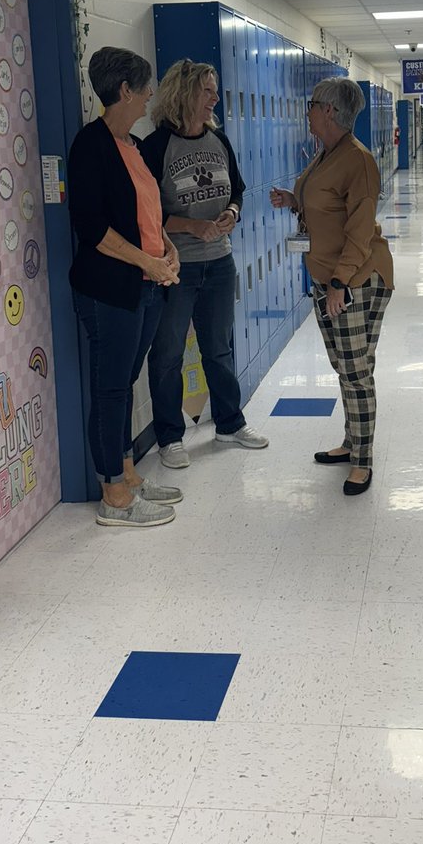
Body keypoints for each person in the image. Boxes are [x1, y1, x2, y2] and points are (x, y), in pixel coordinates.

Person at [68, 46, 184, 528]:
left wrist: (167, 252)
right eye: (144, 88)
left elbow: (147, 216)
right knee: (111, 388)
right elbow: (92, 228)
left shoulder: (132, 145)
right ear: (124, 91)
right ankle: (113, 495)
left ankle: (129, 475)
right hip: (110, 290)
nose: (150, 95)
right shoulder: (90, 146)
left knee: (125, 381)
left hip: (145, 284)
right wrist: (147, 263)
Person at [141, 59, 269, 468]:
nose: (215, 97)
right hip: (176, 268)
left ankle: (230, 424)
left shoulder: (220, 141)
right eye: (208, 90)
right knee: (167, 355)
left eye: (214, 90)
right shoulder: (157, 147)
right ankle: (169, 437)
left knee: (219, 349)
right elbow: (145, 213)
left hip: (219, 264)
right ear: (184, 95)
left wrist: (232, 212)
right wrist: (189, 227)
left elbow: (240, 189)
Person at [270, 77, 394, 496]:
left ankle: (363, 461)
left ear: (330, 111)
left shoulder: (357, 161)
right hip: (328, 279)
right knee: (343, 366)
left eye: (311, 104)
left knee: (357, 371)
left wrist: (340, 282)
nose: (306, 111)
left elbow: (359, 232)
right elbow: (323, 204)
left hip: (356, 279)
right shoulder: (326, 154)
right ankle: (350, 441)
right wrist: (294, 200)